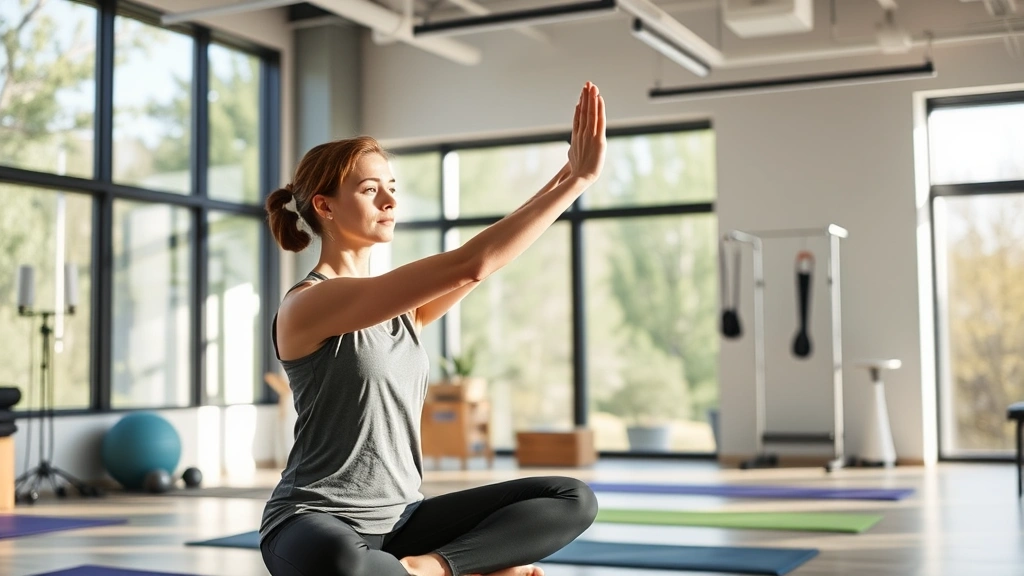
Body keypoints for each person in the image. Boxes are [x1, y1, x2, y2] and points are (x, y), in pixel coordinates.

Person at [260, 82, 607, 576]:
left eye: (393, 188)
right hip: (313, 520)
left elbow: (484, 265)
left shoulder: (405, 310)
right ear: (325, 206)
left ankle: (435, 569)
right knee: (347, 565)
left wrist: (568, 176)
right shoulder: (309, 304)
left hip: (405, 519)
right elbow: (471, 264)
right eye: (369, 189)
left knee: (571, 497)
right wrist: (577, 181)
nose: (389, 200)